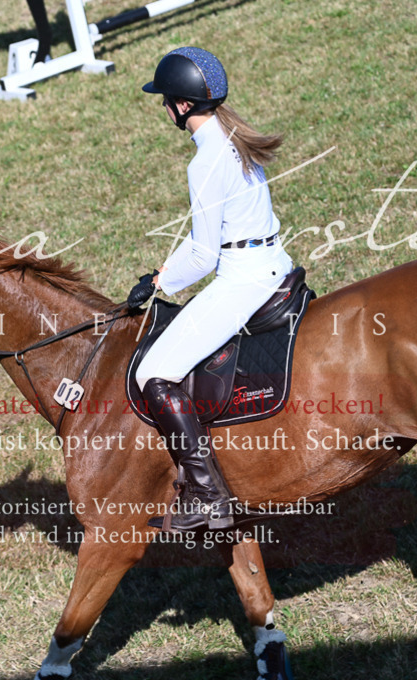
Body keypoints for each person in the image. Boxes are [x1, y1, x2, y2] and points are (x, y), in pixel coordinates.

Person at [128, 47, 294, 532]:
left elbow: (204, 256)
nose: (164, 109)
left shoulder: (204, 162)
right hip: (273, 261)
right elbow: (210, 237)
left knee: (153, 374)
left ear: (181, 105)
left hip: (243, 279)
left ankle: (205, 492)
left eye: (165, 101)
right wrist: (165, 271)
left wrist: (161, 282)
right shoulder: (235, 139)